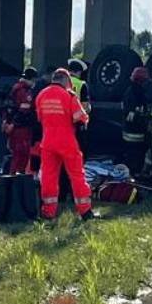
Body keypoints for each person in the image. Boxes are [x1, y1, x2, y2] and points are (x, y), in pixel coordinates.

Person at [35, 68, 95, 220]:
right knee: (77, 176)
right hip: (67, 141)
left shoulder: (41, 95)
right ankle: (85, 211)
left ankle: (48, 211)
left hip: (47, 141)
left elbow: (40, 118)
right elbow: (81, 118)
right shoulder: (69, 95)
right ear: (66, 81)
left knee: (49, 177)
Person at [120, 66, 152, 176]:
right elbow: (133, 114)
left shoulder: (130, 90)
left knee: (132, 154)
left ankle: (133, 173)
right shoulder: (136, 92)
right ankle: (134, 174)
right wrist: (145, 119)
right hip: (135, 131)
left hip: (130, 130)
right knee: (135, 155)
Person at [4, 67, 39, 173]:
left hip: (15, 126)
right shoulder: (24, 91)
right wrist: (13, 124)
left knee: (17, 154)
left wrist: (8, 123)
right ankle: (17, 179)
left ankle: (15, 178)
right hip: (21, 127)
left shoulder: (16, 88)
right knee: (21, 154)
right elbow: (24, 111)